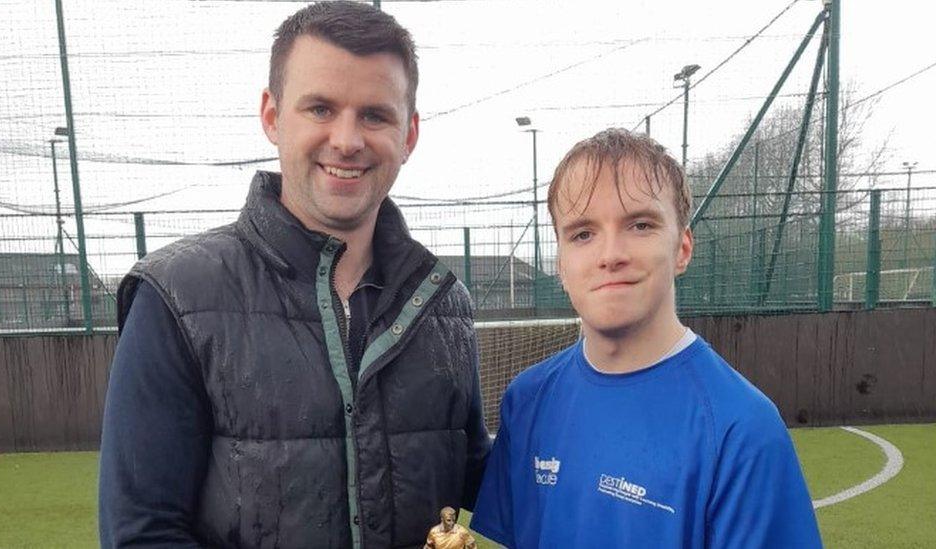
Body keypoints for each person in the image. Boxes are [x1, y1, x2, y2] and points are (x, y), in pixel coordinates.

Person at [98, 2, 491, 548]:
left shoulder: (445, 304)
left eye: (375, 115)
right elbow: (140, 531)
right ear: (272, 116)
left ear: (409, 134)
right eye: (321, 109)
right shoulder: (177, 297)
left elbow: (493, 486)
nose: (348, 140)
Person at [470, 129, 822, 548]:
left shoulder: (741, 429)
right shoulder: (526, 401)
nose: (610, 254)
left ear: (682, 249)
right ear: (561, 264)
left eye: (640, 225)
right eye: (583, 233)